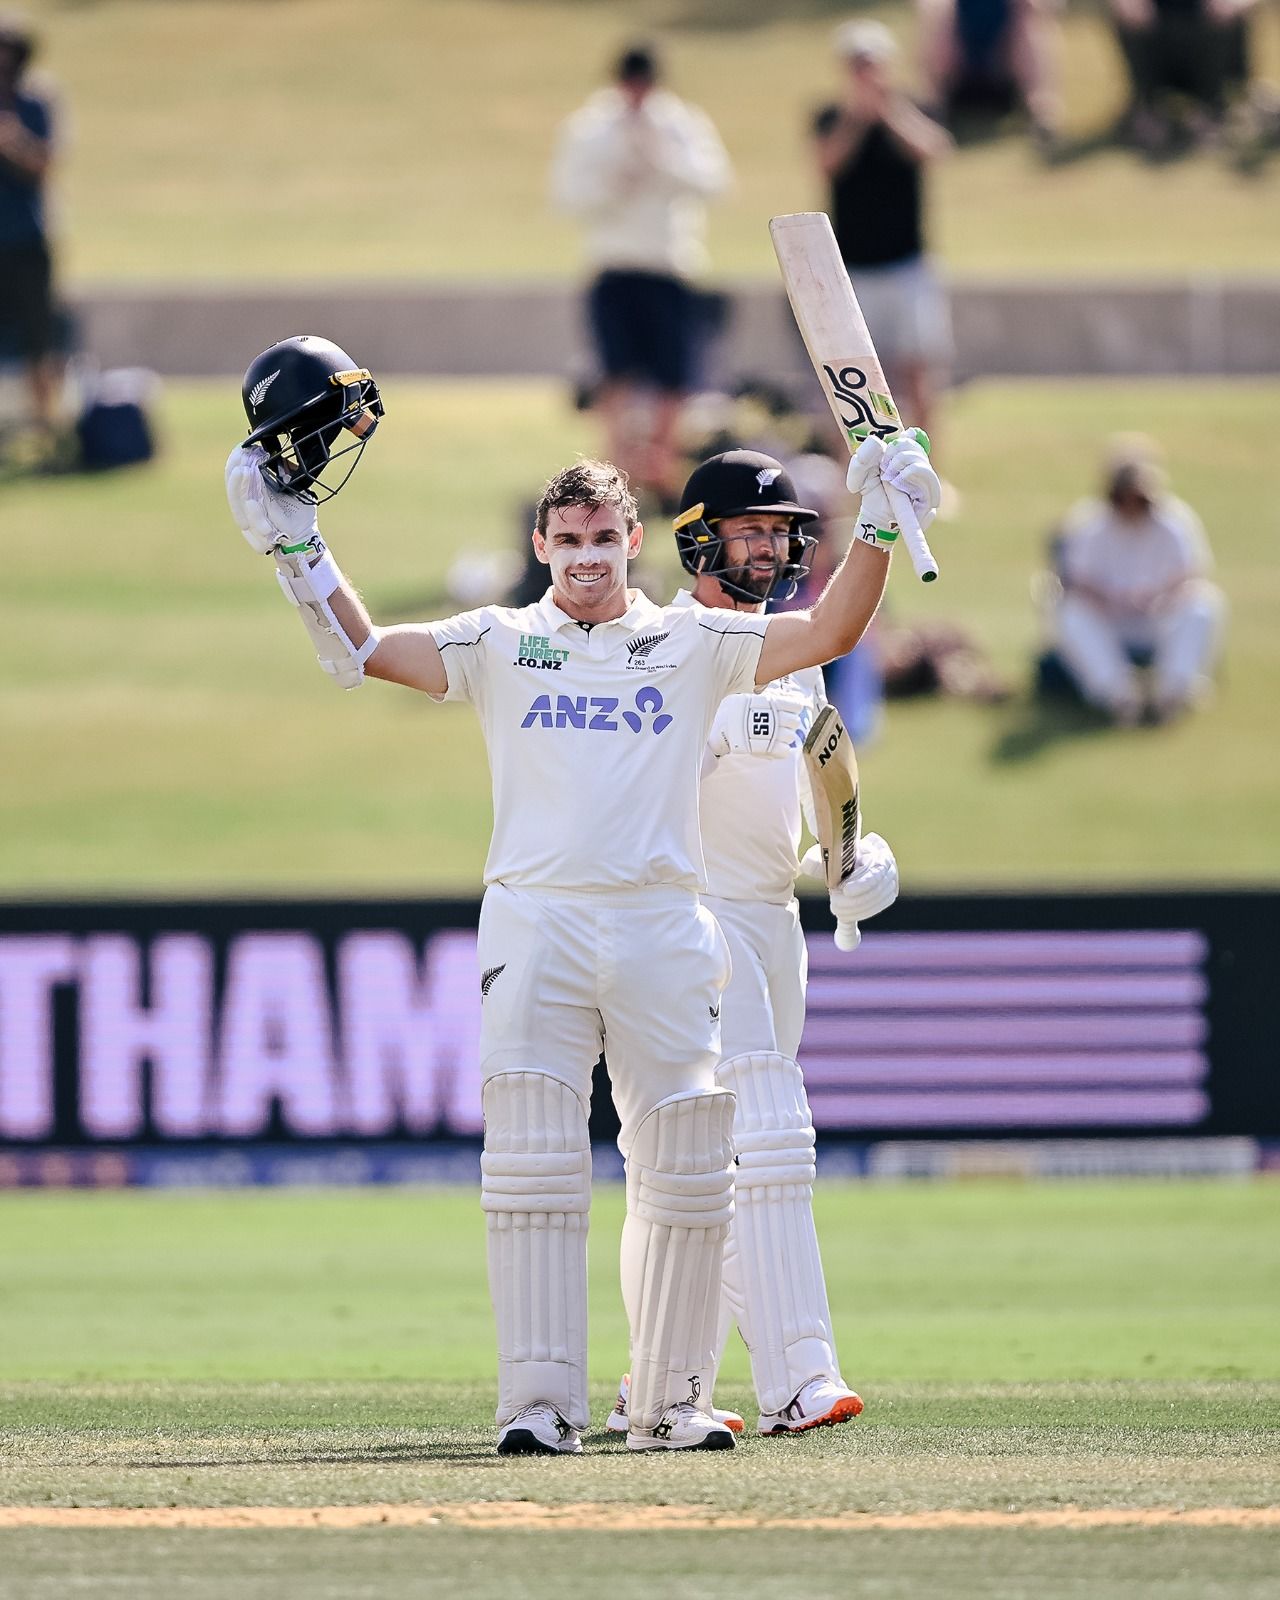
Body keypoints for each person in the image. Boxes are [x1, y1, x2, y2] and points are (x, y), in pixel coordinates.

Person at [224, 335, 941, 1457]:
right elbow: (361, 651)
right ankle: (537, 1405)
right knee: (531, 1161)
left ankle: (669, 1402)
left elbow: (831, 632)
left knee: (693, 1156)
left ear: (634, 540)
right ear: (539, 546)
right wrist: (295, 543)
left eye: (603, 538)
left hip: (664, 920)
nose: (587, 559)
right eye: (566, 542)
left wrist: (886, 522)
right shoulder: (502, 643)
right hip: (535, 916)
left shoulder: (694, 641)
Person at [604, 450, 900, 1439]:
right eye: (749, 529)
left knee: (685, 1167)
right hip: (689, 922)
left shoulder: (789, 647)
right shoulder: (668, 647)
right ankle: (799, 1379)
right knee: (767, 1141)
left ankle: (653, 1384)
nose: (769, 544)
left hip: (772, 922)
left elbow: (816, 762)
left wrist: (846, 857)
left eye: (780, 530)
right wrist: (886, 524)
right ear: (699, 537)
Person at [550, 42, 731, 501]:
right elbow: (566, 194)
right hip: (614, 265)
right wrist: (615, 183)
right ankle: (611, 477)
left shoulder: (679, 123)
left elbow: (715, 181)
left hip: (669, 266)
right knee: (616, 378)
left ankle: (663, 475)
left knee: (674, 381)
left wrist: (661, 162)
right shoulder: (592, 127)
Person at [813, 21, 953, 456]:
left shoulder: (913, 108)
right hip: (853, 268)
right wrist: (858, 117)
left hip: (906, 262)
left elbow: (934, 150)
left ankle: (928, 469)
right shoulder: (832, 117)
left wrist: (888, 111)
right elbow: (827, 163)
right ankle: (854, 467)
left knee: (918, 371)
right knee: (853, 377)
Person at [1041, 436, 1225, 724]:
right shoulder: (1089, 523)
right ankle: (1118, 694)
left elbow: (1191, 573)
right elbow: (1073, 580)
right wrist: (1110, 599)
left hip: (1158, 616)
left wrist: (1160, 595)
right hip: (1109, 619)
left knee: (1204, 603)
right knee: (1069, 612)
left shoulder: (1174, 521)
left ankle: (1173, 692)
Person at [0, 12, 60, 443]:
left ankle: (46, 430)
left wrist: (11, 140)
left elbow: (44, 163)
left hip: (25, 239)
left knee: (39, 337)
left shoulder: (34, 102)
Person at [1108, 0, 1259, 153]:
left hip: (1206, 37)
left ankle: (1214, 108)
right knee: (1129, 11)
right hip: (1157, 34)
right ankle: (1148, 107)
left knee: (1225, 11)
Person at [916, 0, 1063, 150]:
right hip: (958, 79)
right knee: (940, 10)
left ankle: (1040, 110)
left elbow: (1050, 8)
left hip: (1006, 78)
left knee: (1026, 15)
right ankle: (935, 108)